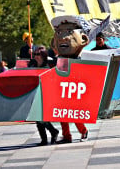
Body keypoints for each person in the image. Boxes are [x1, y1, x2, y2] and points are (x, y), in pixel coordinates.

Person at [50, 15, 90, 144]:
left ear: (83, 39)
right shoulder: (59, 60)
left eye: (69, 32)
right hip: (62, 87)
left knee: (74, 111)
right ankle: (66, 135)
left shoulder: (77, 60)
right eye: (59, 33)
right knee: (63, 112)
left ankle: (83, 130)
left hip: (74, 89)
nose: (63, 37)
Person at [28, 46, 59, 145]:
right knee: (37, 117)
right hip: (35, 91)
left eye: (38, 55)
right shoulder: (32, 64)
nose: (36, 56)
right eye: (35, 54)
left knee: (40, 116)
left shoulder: (49, 64)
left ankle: (53, 132)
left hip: (46, 92)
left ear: (43, 56)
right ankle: (45, 138)